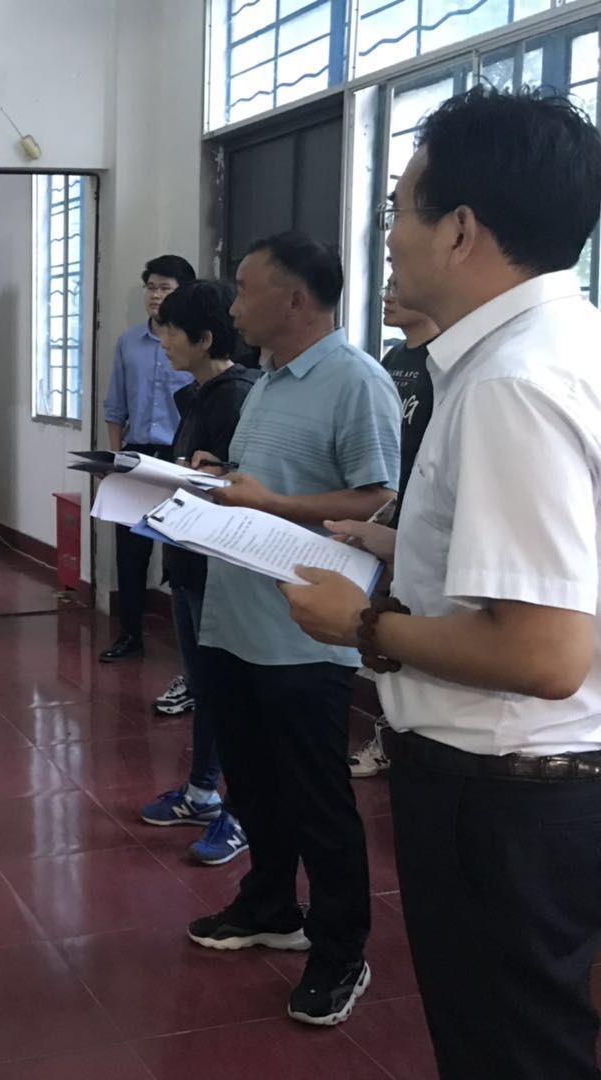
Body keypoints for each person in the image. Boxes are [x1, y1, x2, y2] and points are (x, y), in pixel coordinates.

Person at [282, 86, 601, 1079]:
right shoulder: (565, 344)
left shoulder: (513, 382)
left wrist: (362, 624)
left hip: (500, 793)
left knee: (507, 1050)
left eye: (397, 210)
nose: (387, 237)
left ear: (460, 230)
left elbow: (545, 652)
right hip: (539, 784)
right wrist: (398, 543)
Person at [184, 232, 400, 1028]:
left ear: (296, 299)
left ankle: (341, 952)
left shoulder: (356, 381)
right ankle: (270, 904)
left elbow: (378, 499)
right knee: (253, 784)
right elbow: (264, 489)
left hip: (305, 633)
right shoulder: (268, 381)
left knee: (317, 800)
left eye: (246, 288)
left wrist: (270, 503)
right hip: (235, 618)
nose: (234, 304)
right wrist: (217, 483)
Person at [136, 280, 258, 867]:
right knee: (206, 688)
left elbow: (239, 487)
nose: (163, 343)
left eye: (172, 333)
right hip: (187, 560)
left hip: (218, 569)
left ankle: (241, 810)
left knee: (229, 693)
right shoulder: (200, 395)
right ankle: (202, 792)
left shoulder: (236, 398)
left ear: (205, 338)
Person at [349, 276, 440, 779]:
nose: (386, 295)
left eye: (396, 284)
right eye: (382, 286)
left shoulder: (444, 362)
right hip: (388, 510)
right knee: (384, 622)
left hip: (423, 515)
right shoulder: (391, 359)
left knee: (415, 622)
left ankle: (400, 737)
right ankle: (391, 730)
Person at [100, 254, 197, 664]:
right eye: (151, 287)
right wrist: (116, 458)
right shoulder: (128, 342)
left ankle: (189, 647)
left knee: (183, 552)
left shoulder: (193, 342)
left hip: (181, 459)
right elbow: (115, 406)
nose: (156, 296)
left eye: (165, 288)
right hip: (137, 455)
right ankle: (130, 635)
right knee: (131, 551)